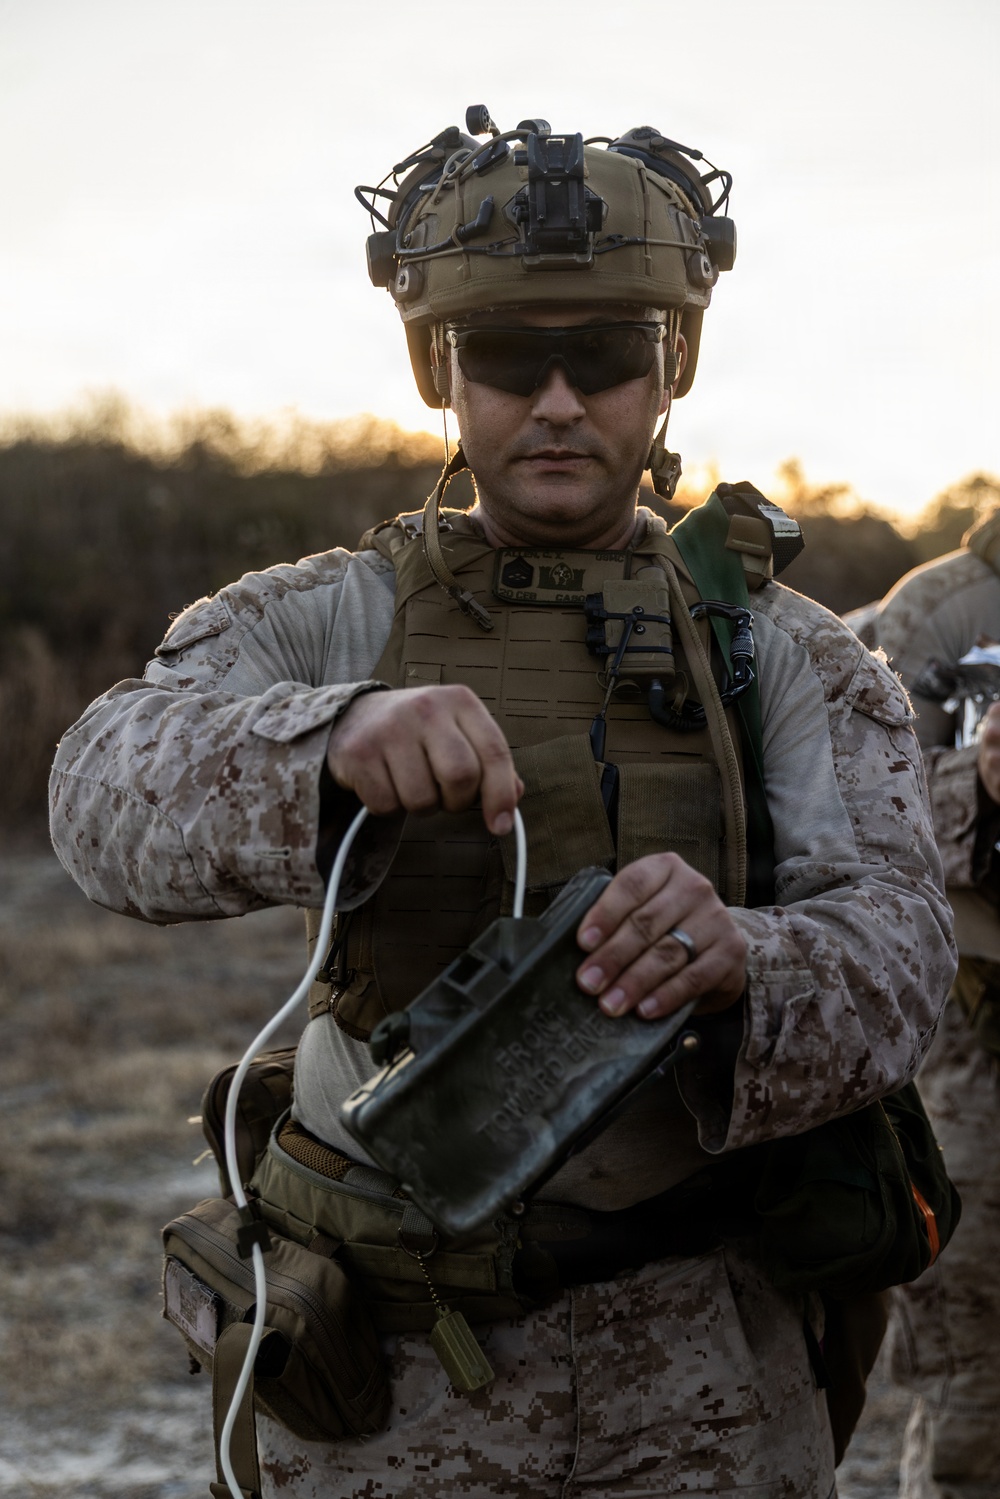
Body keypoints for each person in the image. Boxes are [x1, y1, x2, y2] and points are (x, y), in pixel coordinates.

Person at [49, 109, 955, 1499]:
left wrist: (745, 956)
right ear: (437, 368)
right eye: (505, 357)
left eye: (601, 356)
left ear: (671, 365)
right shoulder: (325, 618)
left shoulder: (788, 654)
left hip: (704, 1356)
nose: (554, 401)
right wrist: (327, 741)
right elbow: (98, 792)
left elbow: (907, 961)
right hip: (397, 1367)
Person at [867, 514, 1000, 1499]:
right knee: (971, 1388)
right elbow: (862, 819)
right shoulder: (937, 610)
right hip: (975, 1048)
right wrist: (980, 782)